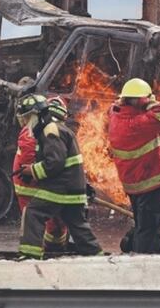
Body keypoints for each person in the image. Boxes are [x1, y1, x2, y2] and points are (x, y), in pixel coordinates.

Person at [17, 97, 102, 260]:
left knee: (33, 212)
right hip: (72, 188)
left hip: (60, 188)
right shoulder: (55, 129)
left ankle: (30, 255)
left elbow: (55, 162)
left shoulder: (50, 130)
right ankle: (98, 257)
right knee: (78, 226)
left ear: (36, 115)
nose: (26, 122)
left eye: (27, 118)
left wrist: (32, 170)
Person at [107, 78, 160, 254]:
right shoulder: (140, 123)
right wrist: (151, 101)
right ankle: (143, 260)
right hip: (149, 182)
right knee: (149, 228)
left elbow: (114, 107)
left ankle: (143, 252)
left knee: (142, 224)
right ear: (139, 100)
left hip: (132, 183)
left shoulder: (116, 116)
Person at [12, 94, 69, 254]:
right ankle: (46, 251)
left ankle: (46, 249)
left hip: (30, 184)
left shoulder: (35, 130)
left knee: (40, 221)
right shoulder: (38, 133)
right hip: (33, 185)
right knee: (47, 222)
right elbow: (44, 162)